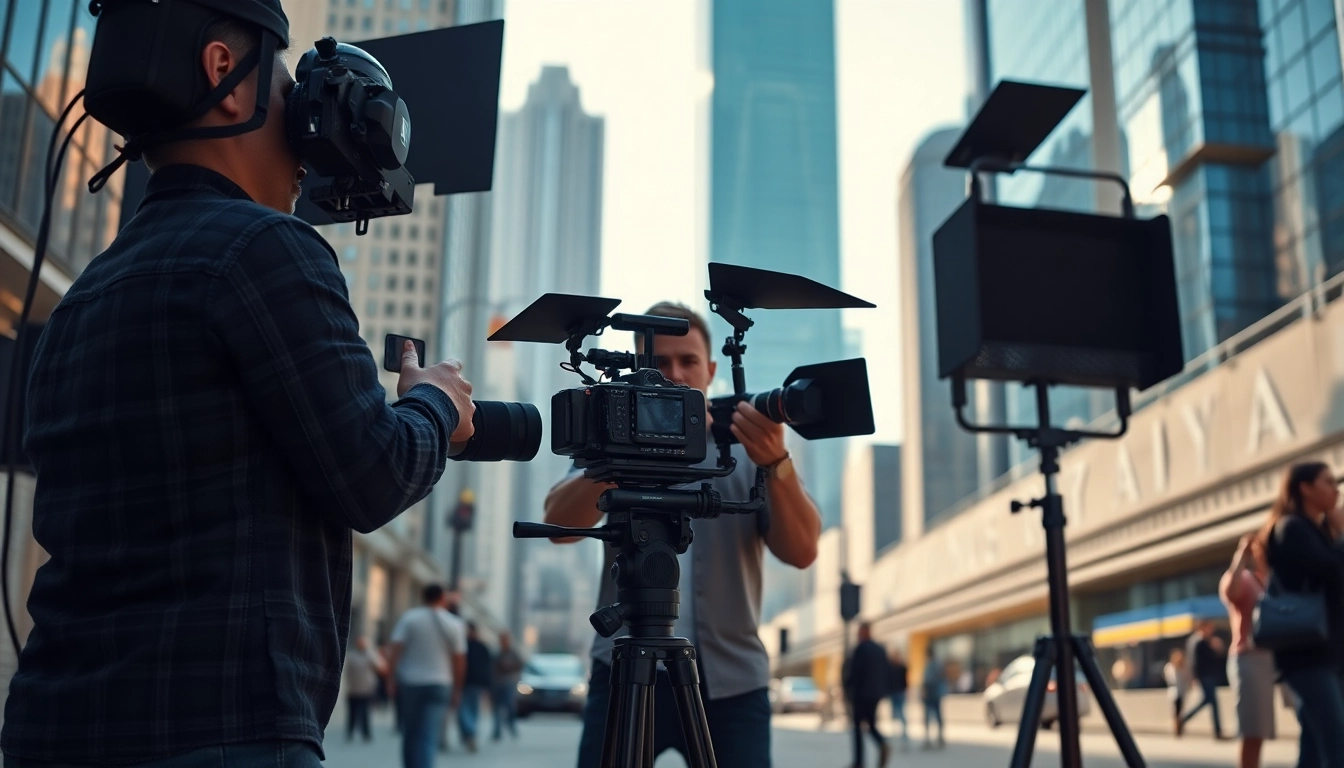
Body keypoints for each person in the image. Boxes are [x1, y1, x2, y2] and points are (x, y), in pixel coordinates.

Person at [0, 3, 476, 766]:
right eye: (288, 85)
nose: (303, 124)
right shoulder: (266, 248)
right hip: (222, 732)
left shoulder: (85, 295)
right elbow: (373, 473)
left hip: (53, 730)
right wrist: (435, 406)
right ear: (224, 74)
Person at [545, 301, 822, 768]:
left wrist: (776, 463)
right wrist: (613, 457)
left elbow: (802, 552)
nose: (674, 373)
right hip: (622, 668)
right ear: (638, 367)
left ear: (711, 369)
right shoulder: (612, 438)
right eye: (659, 363)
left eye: (688, 361)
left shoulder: (749, 443)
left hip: (731, 678)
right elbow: (558, 525)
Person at [1261, 462, 1344, 766]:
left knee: (1313, 748)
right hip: (1308, 654)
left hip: (1326, 651)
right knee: (1337, 744)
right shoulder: (1292, 529)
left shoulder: (1316, 531)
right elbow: (1330, 571)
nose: (1336, 489)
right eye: (1327, 481)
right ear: (1305, 488)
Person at [387, 585, 469, 768]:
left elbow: (395, 650)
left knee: (410, 733)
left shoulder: (409, 618)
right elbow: (460, 661)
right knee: (428, 735)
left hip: (410, 683)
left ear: (423, 597)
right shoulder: (454, 623)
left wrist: (390, 679)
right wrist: (457, 689)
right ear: (442, 598)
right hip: (440, 685)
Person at [1220, 532, 1276, 767]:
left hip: (1271, 659)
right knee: (1252, 730)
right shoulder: (1241, 578)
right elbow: (1230, 593)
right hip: (1248, 658)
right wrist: (1239, 557)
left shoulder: (1268, 578)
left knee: (1260, 731)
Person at [843, 624, 891, 768]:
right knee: (870, 724)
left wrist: (847, 690)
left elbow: (854, 673)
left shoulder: (860, 649)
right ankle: (882, 743)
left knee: (858, 727)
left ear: (863, 632)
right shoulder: (880, 650)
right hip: (875, 694)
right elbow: (886, 672)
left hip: (861, 694)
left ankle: (859, 761)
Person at [1179, 620, 1226, 738]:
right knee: (1211, 702)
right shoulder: (1199, 642)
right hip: (1205, 676)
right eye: (1209, 628)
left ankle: (1183, 719)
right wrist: (1194, 677)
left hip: (1208, 675)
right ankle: (1217, 731)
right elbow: (1195, 661)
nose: (1211, 631)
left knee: (1207, 701)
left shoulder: (1202, 641)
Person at [344, 636, 388, 743]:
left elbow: (382, 668)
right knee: (352, 713)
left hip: (366, 690)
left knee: (365, 713)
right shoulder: (351, 656)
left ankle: (366, 733)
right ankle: (350, 732)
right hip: (353, 690)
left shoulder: (370, 655)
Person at [458, 622, 494, 753]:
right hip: (465, 683)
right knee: (466, 709)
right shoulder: (467, 646)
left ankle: (470, 732)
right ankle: (469, 733)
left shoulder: (476, 647)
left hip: (473, 683)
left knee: (468, 709)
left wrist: (488, 686)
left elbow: (488, 668)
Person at [493, 632, 525, 741]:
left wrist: (510, 666)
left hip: (509, 682)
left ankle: (512, 726)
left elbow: (520, 664)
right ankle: (497, 731)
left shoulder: (513, 653)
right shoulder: (497, 653)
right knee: (497, 708)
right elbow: (492, 668)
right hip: (498, 683)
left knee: (510, 706)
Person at [887, 649, 911, 752]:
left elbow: (906, 681)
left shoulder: (902, 667)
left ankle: (903, 738)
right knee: (894, 715)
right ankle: (896, 737)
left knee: (901, 715)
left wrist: (906, 691)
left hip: (900, 693)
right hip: (893, 693)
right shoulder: (890, 668)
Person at [921, 656, 946, 750]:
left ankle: (928, 739)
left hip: (930, 694)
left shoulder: (930, 666)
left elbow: (927, 680)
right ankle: (940, 737)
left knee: (928, 717)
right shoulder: (939, 665)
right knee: (938, 716)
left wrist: (924, 691)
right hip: (937, 694)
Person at [1164, 648, 1190, 737]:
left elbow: (1186, 678)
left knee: (1180, 711)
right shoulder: (1170, 667)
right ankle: (1176, 728)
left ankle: (1180, 728)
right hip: (1174, 692)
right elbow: (1171, 678)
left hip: (1181, 691)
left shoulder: (1183, 667)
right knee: (1176, 711)